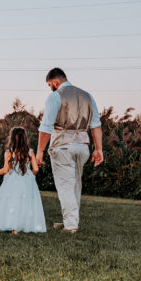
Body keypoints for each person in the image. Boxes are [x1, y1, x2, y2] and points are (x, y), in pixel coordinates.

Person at [36, 68, 103, 233]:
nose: (50, 88)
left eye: (50, 85)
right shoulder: (88, 96)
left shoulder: (55, 96)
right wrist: (99, 149)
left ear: (55, 82)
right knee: (75, 186)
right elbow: (96, 124)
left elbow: (46, 127)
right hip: (82, 147)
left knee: (65, 186)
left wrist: (40, 151)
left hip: (62, 146)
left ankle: (71, 225)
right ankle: (70, 220)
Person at [0, 126, 46, 234]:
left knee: (12, 202)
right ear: (25, 138)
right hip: (26, 179)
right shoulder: (30, 152)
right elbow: (36, 169)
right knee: (25, 202)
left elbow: (5, 170)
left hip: (12, 180)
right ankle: (24, 224)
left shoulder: (9, 152)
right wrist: (30, 176)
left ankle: (13, 227)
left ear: (12, 138)